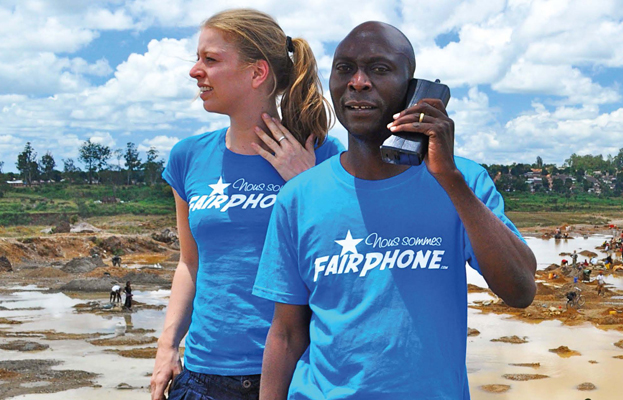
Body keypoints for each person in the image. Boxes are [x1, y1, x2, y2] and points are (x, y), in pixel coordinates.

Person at [253, 22, 537, 399]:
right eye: (345, 69)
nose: (358, 81)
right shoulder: (298, 197)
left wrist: (450, 180)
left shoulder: (464, 181)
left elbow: (520, 289)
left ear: (413, 90)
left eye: (379, 69)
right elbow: (286, 333)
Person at [150, 9, 343, 400]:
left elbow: (343, 262)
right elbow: (190, 262)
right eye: (197, 58)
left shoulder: (323, 156)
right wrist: (167, 346)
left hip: (295, 374)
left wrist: (307, 185)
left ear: (257, 74)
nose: (194, 71)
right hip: (201, 377)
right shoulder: (187, 157)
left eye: (210, 60)